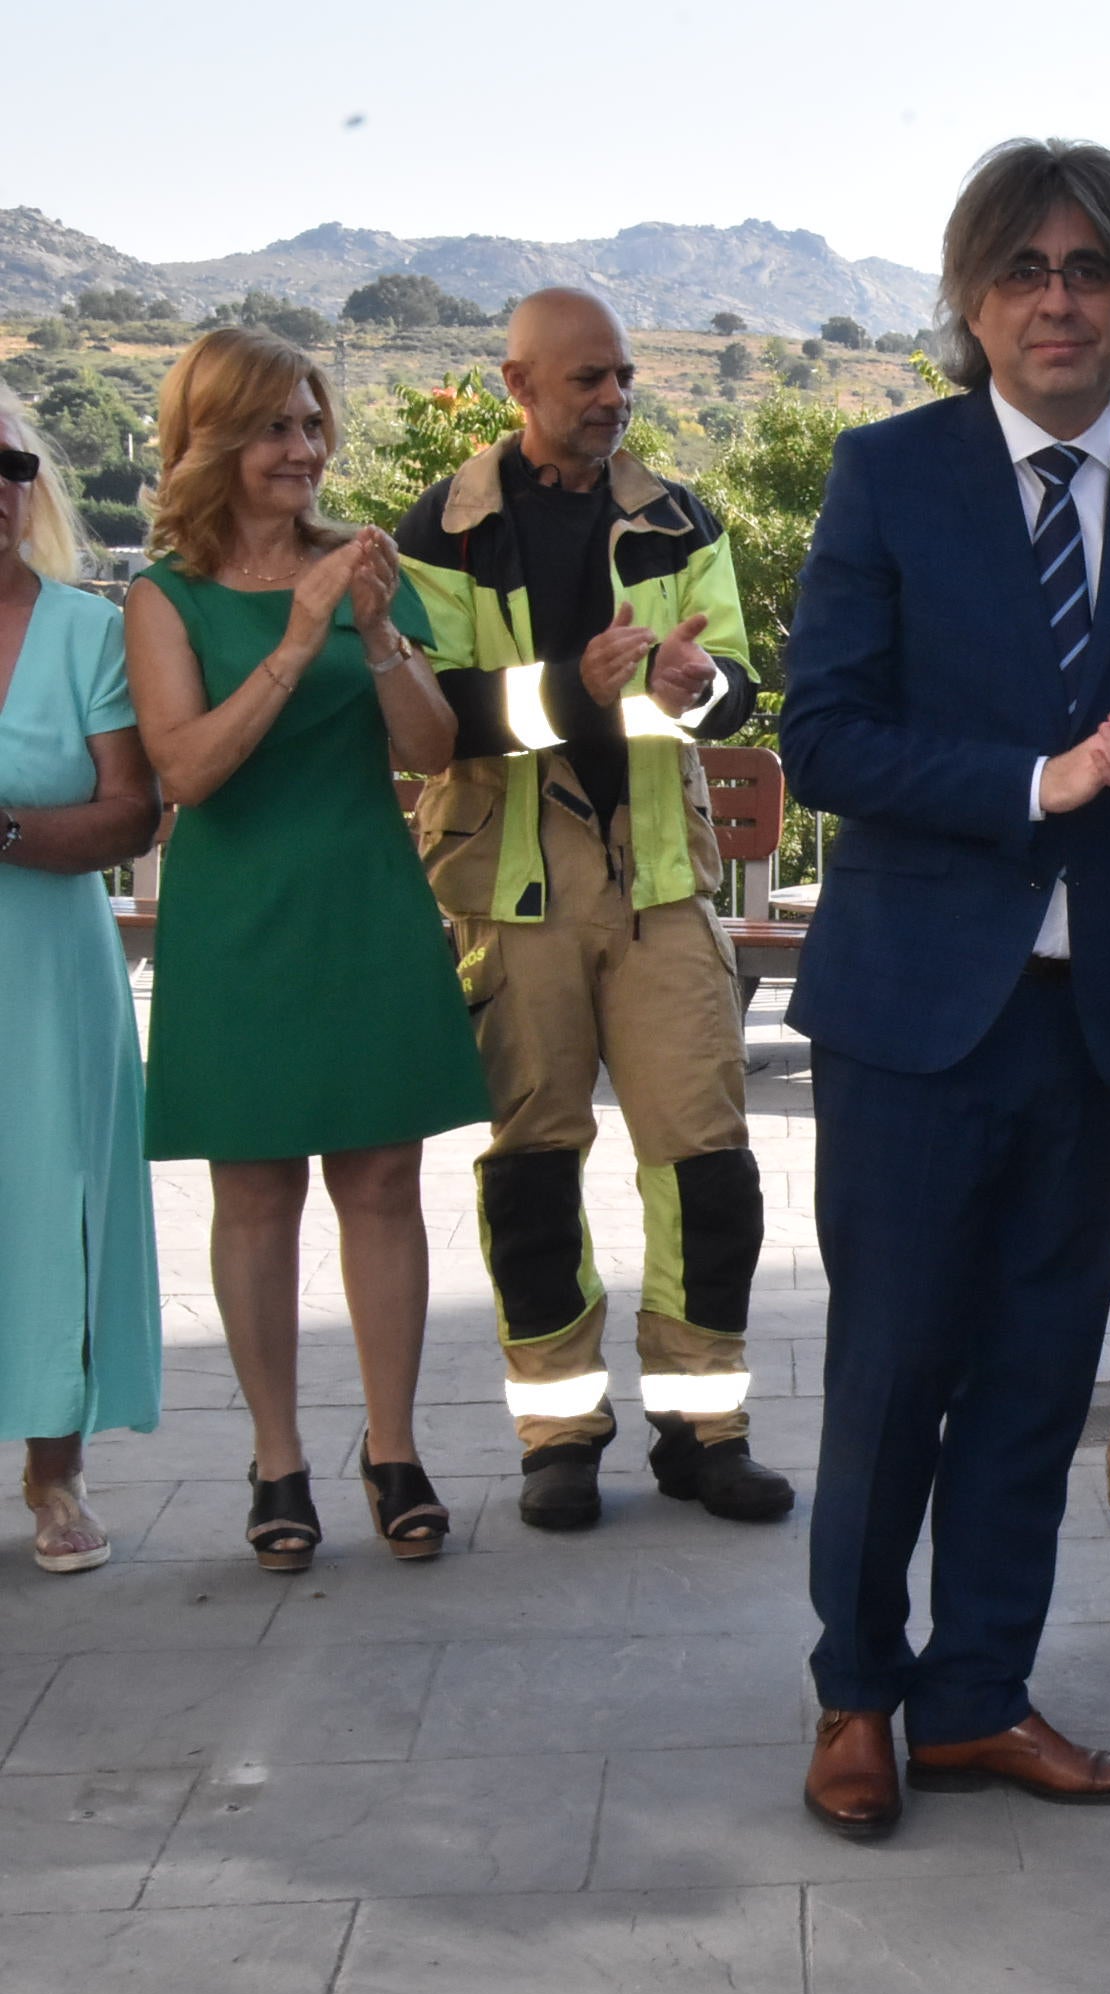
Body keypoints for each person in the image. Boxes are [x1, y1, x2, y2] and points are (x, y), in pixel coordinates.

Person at [781, 138, 1110, 1838]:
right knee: (891, 1372)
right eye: (1022, 269)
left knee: (1029, 1374)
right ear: (972, 301)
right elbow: (827, 737)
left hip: (1100, 1015)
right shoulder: (887, 476)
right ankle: (857, 1695)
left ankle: (979, 1700)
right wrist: (1042, 781)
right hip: (915, 1012)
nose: (1056, 298)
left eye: (1087, 268)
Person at [393, 290, 792, 1533]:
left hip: (663, 883)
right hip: (517, 889)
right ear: (516, 384)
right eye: (586, 381)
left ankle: (702, 1427)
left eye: (621, 376)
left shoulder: (679, 516)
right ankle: (558, 1433)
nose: (614, 397)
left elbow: (730, 691)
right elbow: (443, 721)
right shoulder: (441, 529)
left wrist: (698, 679)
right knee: (532, 1173)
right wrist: (576, 684)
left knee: (709, 1166)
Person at [123, 328, 491, 1571]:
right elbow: (187, 770)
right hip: (241, 919)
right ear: (215, 441)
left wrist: (379, 634)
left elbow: (434, 751)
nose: (302, 448)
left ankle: (395, 1450)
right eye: (274, 426)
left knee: (384, 1179)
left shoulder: (367, 564)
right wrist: (296, 638)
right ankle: (278, 1459)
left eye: (311, 422)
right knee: (257, 1189)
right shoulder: (160, 597)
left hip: (367, 903)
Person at [0, 388, 163, 1575]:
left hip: (48, 963)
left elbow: (130, 813)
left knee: (53, 1198)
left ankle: (55, 1470)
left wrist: (6, 831)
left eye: (7, 463)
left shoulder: (85, 629)